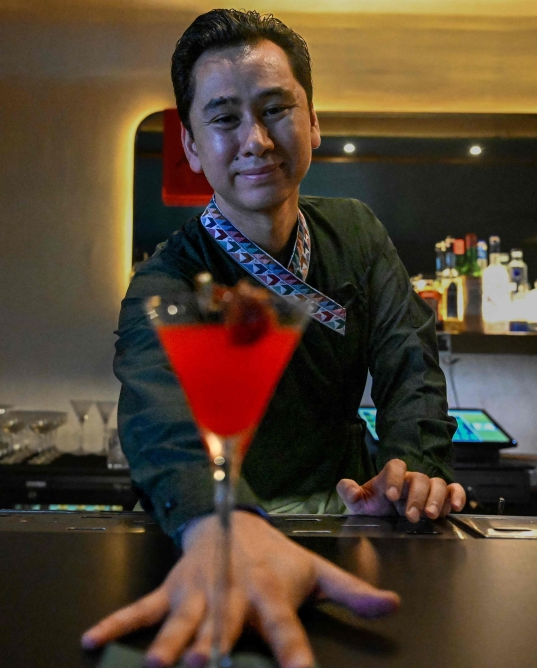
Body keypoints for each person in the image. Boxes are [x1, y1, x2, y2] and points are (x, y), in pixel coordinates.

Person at [82, 9, 466, 667]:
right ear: (194, 149)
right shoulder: (167, 278)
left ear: (314, 122)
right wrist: (214, 519)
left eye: (276, 109)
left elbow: (411, 361)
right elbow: (160, 420)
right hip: (207, 537)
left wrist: (414, 469)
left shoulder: (356, 230)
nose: (256, 139)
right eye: (225, 119)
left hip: (341, 522)